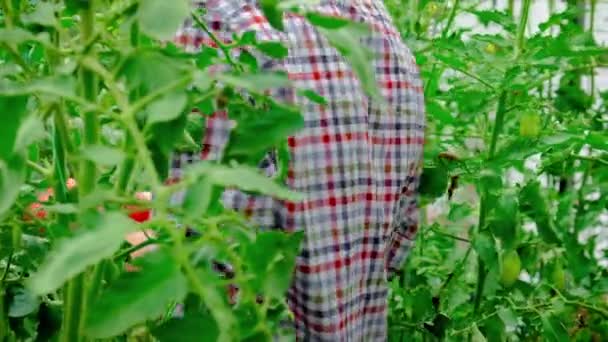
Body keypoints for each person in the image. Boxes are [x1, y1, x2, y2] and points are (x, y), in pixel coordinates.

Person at [155, 0, 425, 340]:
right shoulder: (378, 21)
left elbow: (193, 276)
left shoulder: (211, 19)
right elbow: (400, 235)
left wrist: (128, 239)